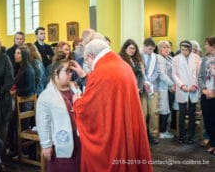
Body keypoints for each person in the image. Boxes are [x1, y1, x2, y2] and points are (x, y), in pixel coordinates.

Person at [71, 38, 152, 172]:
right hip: (126, 122)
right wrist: (84, 75)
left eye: (87, 60)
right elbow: (105, 86)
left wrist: (77, 101)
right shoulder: (120, 64)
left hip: (114, 131)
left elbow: (90, 107)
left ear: (91, 55)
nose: (88, 64)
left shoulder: (102, 71)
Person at [36, 51, 80, 172]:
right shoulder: (46, 96)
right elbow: (43, 124)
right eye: (67, 71)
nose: (70, 74)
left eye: (71, 71)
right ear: (56, 73)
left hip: (78, 140)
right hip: (59, 143)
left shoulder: (74, 89)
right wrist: (46, 145)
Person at [172, 40, 201, 144]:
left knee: (192, 114)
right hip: (182, 89)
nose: (183, 51)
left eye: (186, 50)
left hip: (193, 89)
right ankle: (181, 135)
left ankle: (191, 136)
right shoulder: (176, 59)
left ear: (190, 49)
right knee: (182, 113)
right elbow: (174, 74)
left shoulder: (197, 58)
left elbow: (198, 74)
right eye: (182, 49)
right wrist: (182, 85)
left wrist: (195, 85)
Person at [140, 37, 160, 144]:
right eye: (150, 49)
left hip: (153, 87)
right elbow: (138, 72)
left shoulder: (155, 57)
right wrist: (144, 82)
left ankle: (153, 134)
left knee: (154, 112)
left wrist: (149, 82)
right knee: (144, 113)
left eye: (153, 49)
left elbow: (157, 71)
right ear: (144, 46)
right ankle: (143, 133)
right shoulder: (137, 56)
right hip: (142, 88)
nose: (152, 51)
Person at [198, 36, 215, 154]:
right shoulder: (204, 60)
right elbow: (200, 77)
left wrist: (214, 92)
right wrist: (204, 90)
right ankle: (213, 143)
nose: (205, 46)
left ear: (213, 45)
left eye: (206, 44)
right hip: (205, 95)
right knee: (208, 120)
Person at [156, 40, 175, 139]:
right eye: (164, 47)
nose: (166, 49)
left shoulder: (170, 58)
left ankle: (164, 129)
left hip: (171, 87)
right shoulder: (159, 59)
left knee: (168, 109)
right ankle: (161, 131)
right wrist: (172, 84)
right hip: (163, 87)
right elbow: (162, 74)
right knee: (164, 109)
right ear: (159, 49)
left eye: (168, 47)